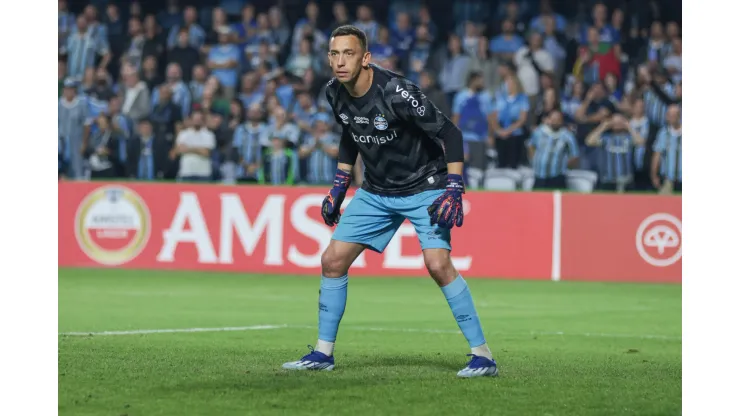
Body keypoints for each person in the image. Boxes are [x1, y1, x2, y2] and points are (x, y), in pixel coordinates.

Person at [281, 25, 497, 378]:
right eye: (334, 54)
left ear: (365, 58)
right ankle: (323, 353)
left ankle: (483, 356)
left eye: (348, 53)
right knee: (332, 260)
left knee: (438, 265)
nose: (339, 61)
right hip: (377, 191)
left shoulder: (397, 92)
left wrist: (454, 186)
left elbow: (450, 134)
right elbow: (350, 133)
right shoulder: (333, 92)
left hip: (425, 185)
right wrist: (340, 183)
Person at [528, 110, 579, 189]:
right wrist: (534, 160)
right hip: (539, 175)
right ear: (548, 119)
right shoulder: (539, 132)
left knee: (557, 200)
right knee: (537, 200)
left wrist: (563, 166)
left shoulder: (567, 136)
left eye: (558, 120)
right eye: (553, 119)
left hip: (557, 176)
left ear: (562, 121)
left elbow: (574, 155)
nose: (555, 122)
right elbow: (531, 145)